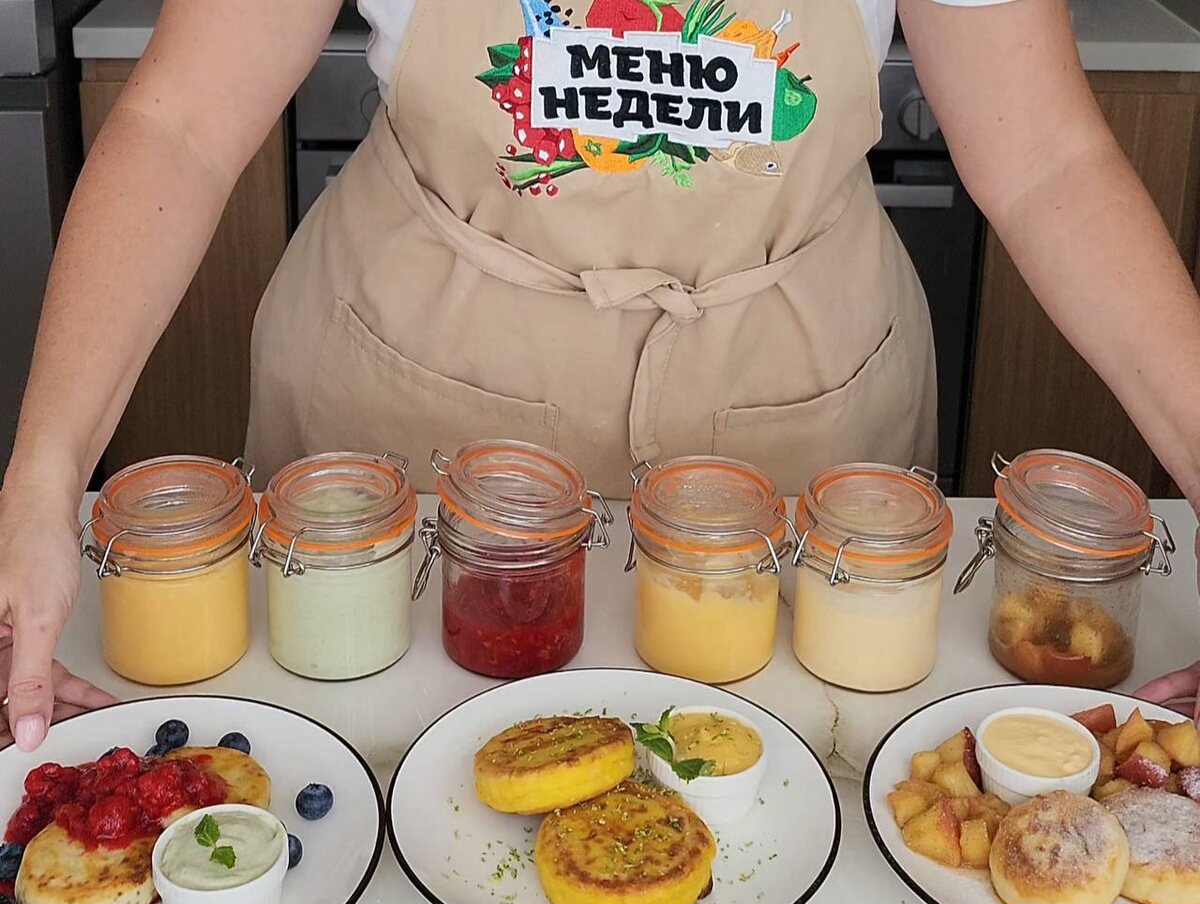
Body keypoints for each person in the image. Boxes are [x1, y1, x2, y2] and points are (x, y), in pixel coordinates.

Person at [1, 0, 1198, 751]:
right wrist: (44, 478)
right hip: (413, 428)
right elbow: (181, 125)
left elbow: (1048, 160)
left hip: (791, 438)